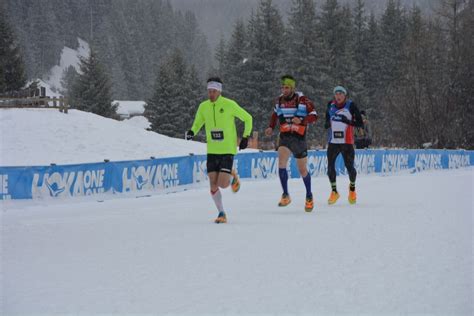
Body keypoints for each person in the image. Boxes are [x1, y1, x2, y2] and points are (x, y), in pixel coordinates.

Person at [186, 77, 253, 224]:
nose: (210, 94)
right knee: (213, 183)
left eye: (213, 91)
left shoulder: (229, 105)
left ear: (219, 91)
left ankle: (232, 175)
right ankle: (221, 213)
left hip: (227, 149)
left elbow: (248, 118)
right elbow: (198, 122)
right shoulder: (203, 106)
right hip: (212, 149)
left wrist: (245, 137)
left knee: (223, 184)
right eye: (209, 91)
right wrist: (192, 131)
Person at [265, 75, 318, 212]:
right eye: (282, 87)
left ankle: (309, 195)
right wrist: (271, 127)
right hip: (285, 136)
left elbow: (314, 115)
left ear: (293, 88)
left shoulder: (302, 100)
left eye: (287, 87)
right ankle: (285, 194)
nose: (284, 90)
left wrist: (302, 120)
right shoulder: (279, 100)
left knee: (302, 170)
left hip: (299, 138)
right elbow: (275, 115)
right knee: (281, 162)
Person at [324, 85, 364, 205]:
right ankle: (334, 191)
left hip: (347, 142)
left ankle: (352, 190)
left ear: (345, 96)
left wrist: (348, 121)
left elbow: (360, 123)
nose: (338, 96)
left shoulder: (351, 105)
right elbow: (327, 119)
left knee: (350, 168)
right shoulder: (330, 105)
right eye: (336, 94)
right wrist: (327, 124)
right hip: (333, 142)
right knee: (330, 167)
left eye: (341, 94)